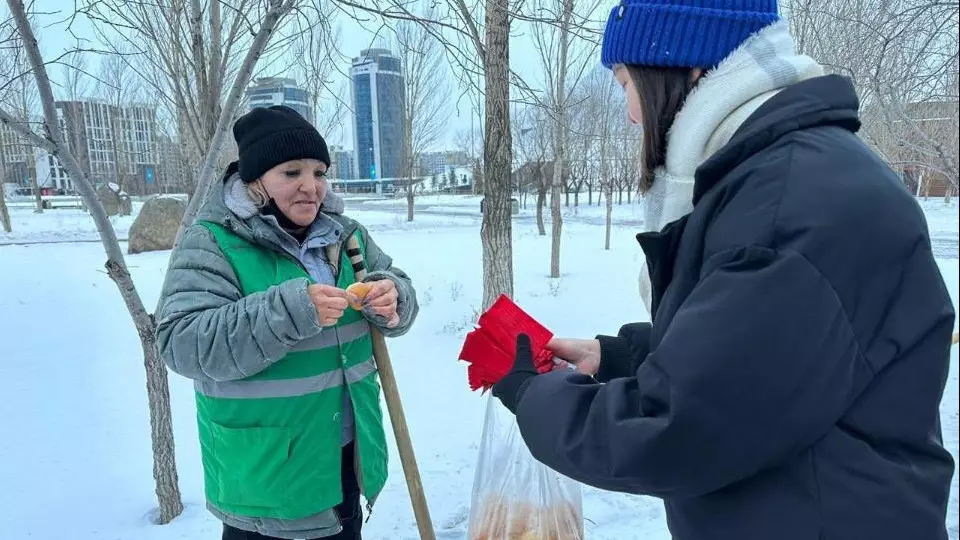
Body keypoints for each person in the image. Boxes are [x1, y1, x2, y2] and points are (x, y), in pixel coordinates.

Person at [491, 1, 956, 539]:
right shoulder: (787, 175)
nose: (630, 115)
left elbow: (683, 428)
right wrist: (624, 358)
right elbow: (773, 358)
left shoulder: (793, 200)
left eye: (624, 84)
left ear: (685, 65)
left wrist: (535, 399)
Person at [156, 105, 419, 540]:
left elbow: (397, 287)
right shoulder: (213, 241)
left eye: (319, 172)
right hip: (268, 476)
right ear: (255, 180)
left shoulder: (346, 234)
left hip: (345, 457)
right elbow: (183, 343)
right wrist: (291, 311)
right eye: (291, 172)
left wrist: (394, 298)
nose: (310, 187)